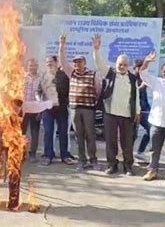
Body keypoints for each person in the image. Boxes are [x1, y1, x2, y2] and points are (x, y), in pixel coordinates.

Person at [92, 34, 140, 176]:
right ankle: (111, 165)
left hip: (127, 114)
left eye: (125, 64)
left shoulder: (132, 78)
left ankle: (128, 166)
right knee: (110, 141)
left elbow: (135, 96)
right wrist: (96, 50)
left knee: (127, 142)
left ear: (128, 66)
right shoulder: (110, 73)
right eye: (120, 64)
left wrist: (137, 111)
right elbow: (99, 63)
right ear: (116, 64)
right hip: (110, 113)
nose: (122, 66)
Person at [58, 33, 101, 172]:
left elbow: (98, 90)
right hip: (75, 109)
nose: (77, 64)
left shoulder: (92, 74)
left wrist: (93, 101)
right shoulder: (72, 73)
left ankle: (93, 160)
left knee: (90, 134)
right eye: (75, 62)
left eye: (80, 62)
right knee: (78, 135)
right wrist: (62, 45)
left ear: (85, 63)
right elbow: (63, 61)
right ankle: (82, 160)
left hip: (88, 109)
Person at [39, 55, 75, 166]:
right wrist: (40, 102)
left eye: (51, 61)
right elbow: (38, 91)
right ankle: (48, 155)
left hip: (61, 108)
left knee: (64, 132)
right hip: (48, 109)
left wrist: (67, 101)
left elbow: (71, 89)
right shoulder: (43, 76)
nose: (49, 64)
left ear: (56, 62)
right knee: (48, 132)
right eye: (47, 62)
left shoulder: (63, 75)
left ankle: (64, 155)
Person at [22, 58, 42, 163]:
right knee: (22, 132)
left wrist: (41, 109)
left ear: (37, 66)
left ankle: (33, 153)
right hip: (24, 109)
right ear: (27, 66)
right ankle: (21, 152)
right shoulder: (22, 77)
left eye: (34, 65)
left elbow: (42, 93)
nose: (32, 67)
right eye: (30, 65)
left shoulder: (41, 78)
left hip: (35, 109)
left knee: (35, 132)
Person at [132, 59, 151, 162]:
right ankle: (128, 155)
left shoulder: (145, 79)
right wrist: (141, 87)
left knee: (150, 130)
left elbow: (145, 97)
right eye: (139, 67)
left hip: (144, 110)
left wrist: (149, 108)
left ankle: (140, 152)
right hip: (134, 111)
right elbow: (131, 93)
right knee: (132, 135)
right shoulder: (131, 79)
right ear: (136, 68)